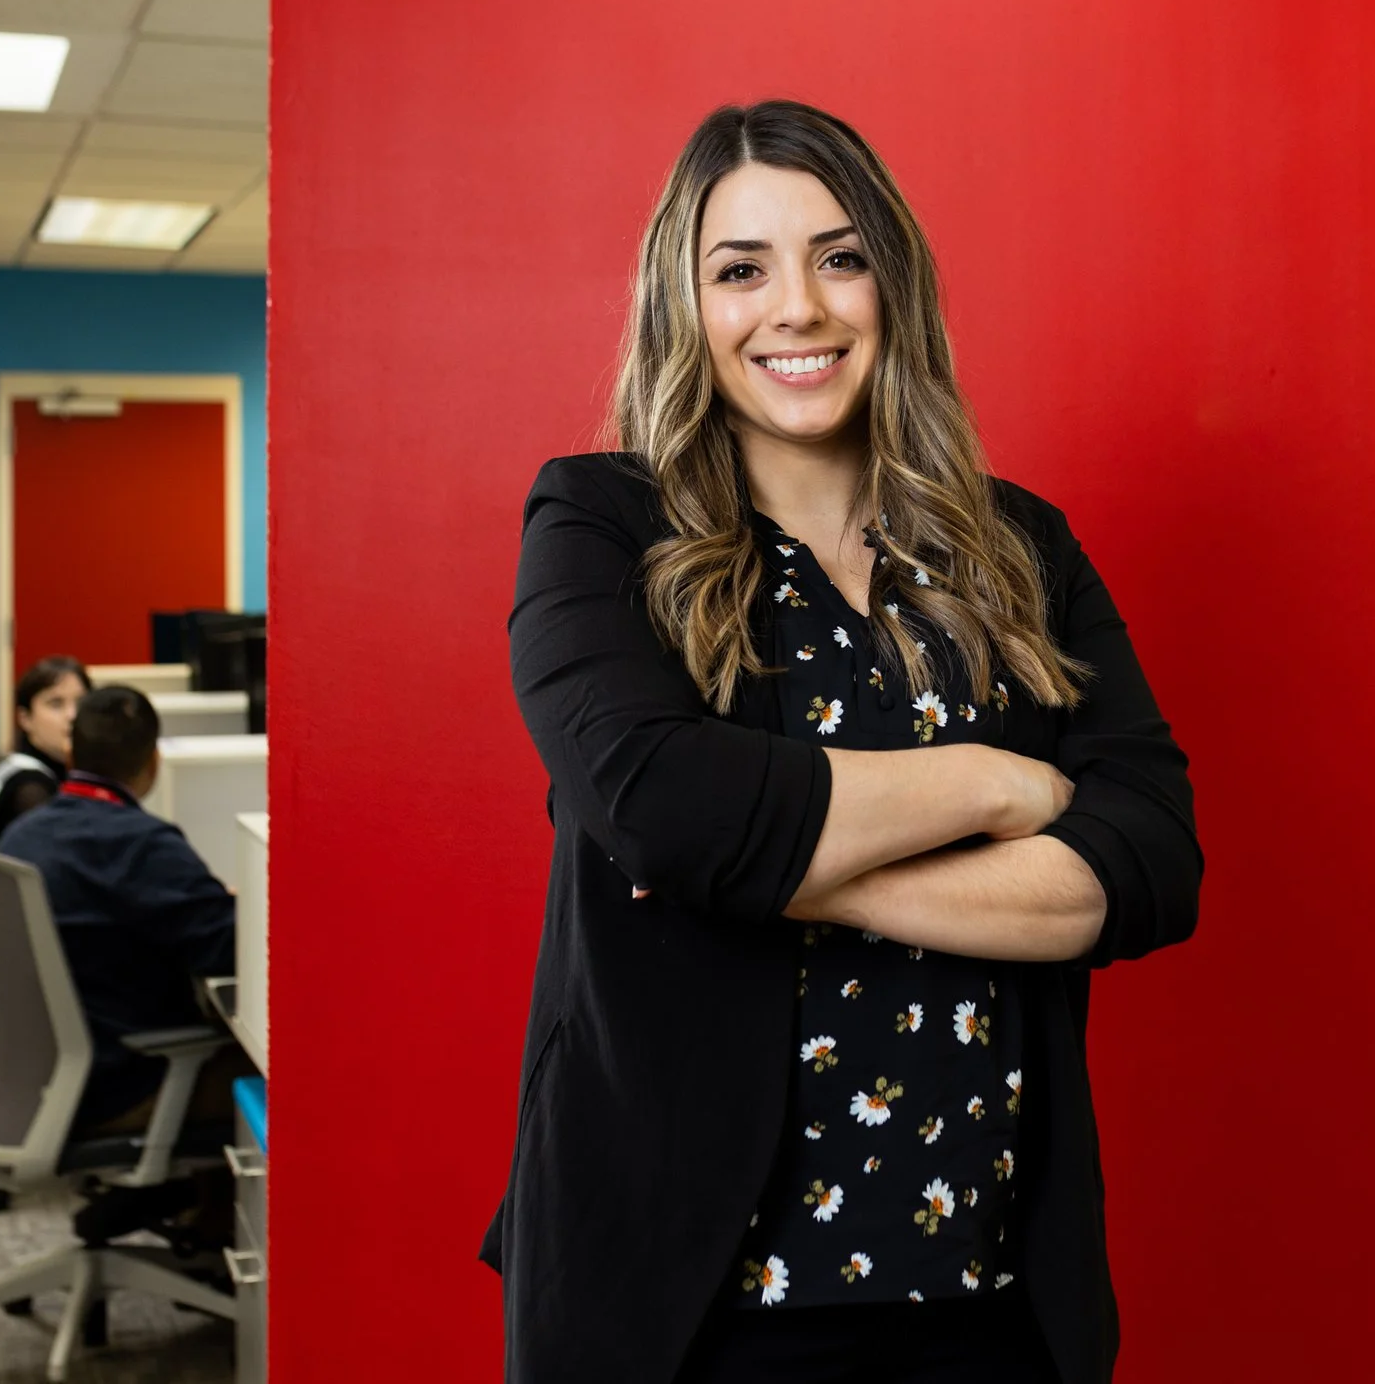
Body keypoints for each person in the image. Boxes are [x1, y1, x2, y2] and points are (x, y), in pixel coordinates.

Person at [488, 101, 1201, 1384]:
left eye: (839, 255)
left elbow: (1149, 862)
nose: (796, 308)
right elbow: (659, 806)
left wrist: (759, 863)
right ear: (684, 305)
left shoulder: (1020, 548)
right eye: (741, 269)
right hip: (690, 1305)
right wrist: (1001, 784)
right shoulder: (599, 524)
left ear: (893, 284)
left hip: (987, 1290)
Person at [0, 685, 245, 1135]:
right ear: (153, 761)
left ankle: (181, 1199)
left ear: (71, 756)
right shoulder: (143, 845)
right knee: (301, 1078)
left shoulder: (23, 834)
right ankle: (202, 1201)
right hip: (127, 1081)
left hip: (45, 1075)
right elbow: (229, 949)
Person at [0, 655, 87, 840]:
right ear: (25, 719)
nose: (72, 715)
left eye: (81, 703)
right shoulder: (29, 787)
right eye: (56, 704)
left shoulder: (38, 769)